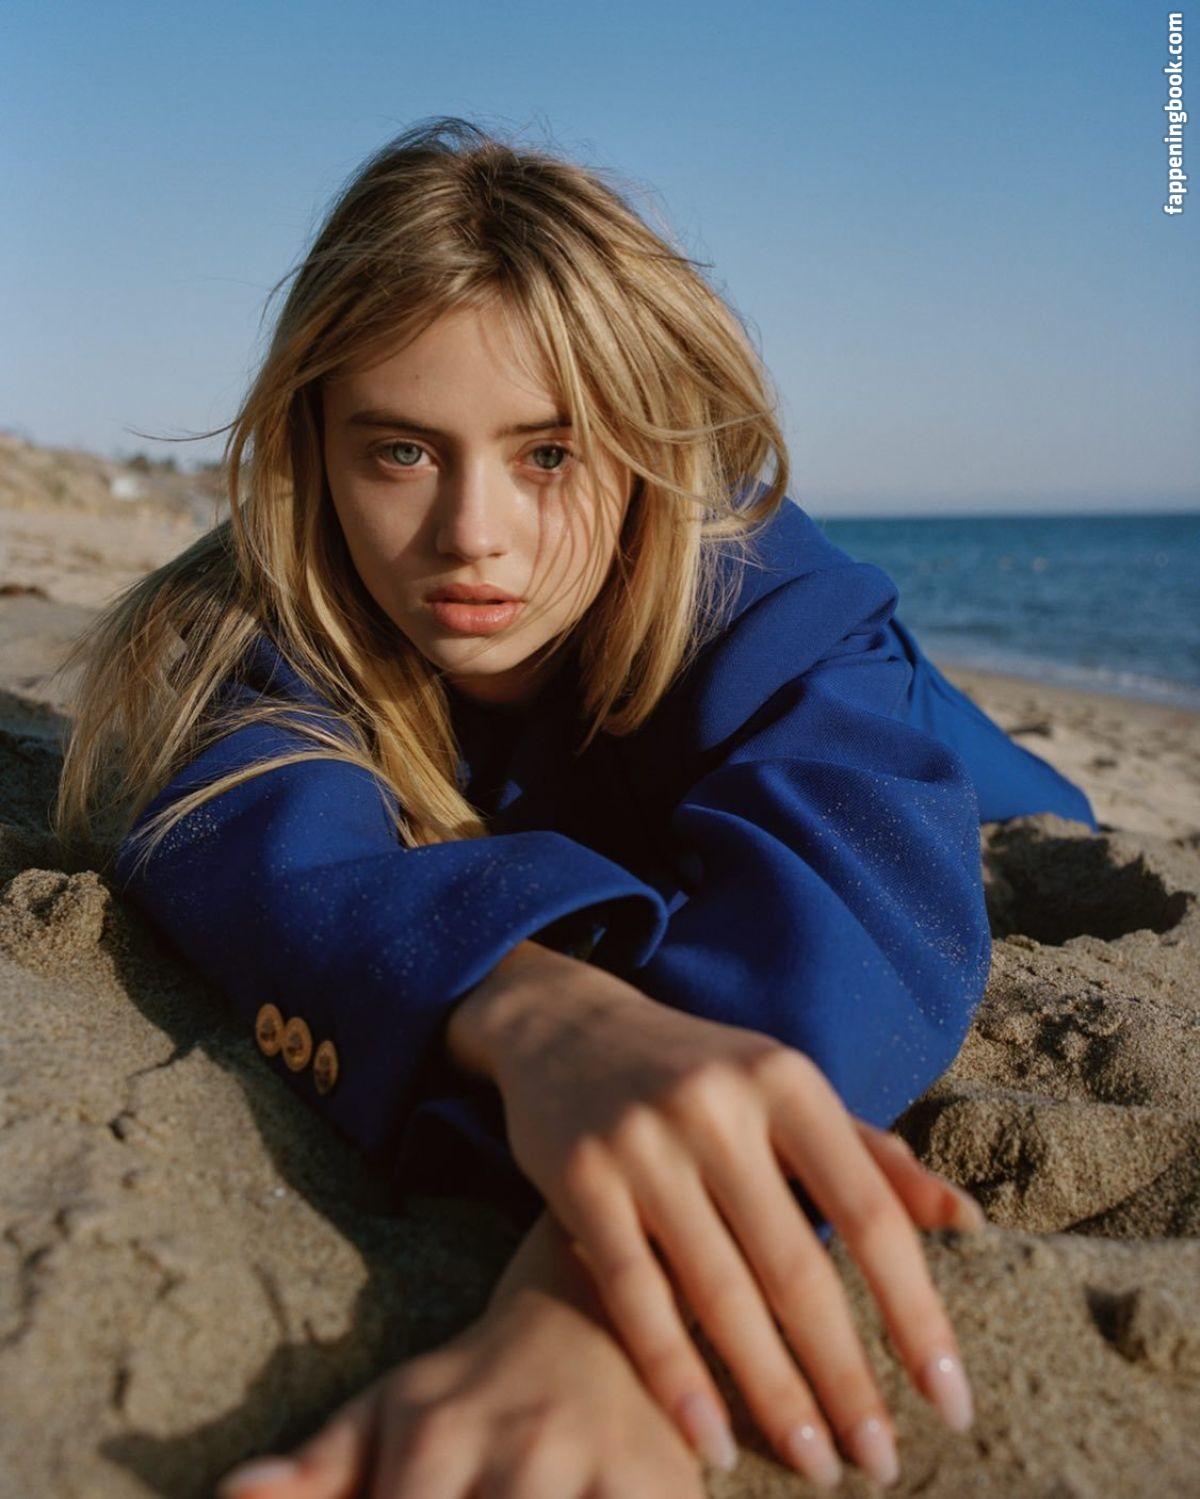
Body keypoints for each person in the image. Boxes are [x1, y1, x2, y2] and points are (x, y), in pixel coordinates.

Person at [56, 117, 1096, 1498]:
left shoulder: (762, 590)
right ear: (314, 445)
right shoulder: (262, 614)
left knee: (1025, 803)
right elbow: (250, 827)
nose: (472, 535)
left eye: (549, 453)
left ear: (650, 444)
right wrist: (531, 1006)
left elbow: (850, 892)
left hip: (958, 753)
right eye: (401, 451)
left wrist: (594, 1300)